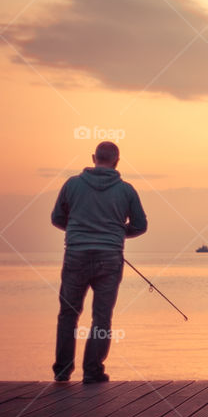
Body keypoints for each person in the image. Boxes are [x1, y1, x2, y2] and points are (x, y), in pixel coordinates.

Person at [51, 141, 147, 383]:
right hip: (109, 258)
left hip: (76, 255)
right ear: (117, 161)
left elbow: (57, 218)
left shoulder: (72, 185)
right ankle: (92, 371)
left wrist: (78, 231)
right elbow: (140, 225)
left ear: (94, 157)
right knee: (101, 317)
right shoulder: (126, 191)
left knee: (68, 314)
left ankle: (63, 371)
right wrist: (115, 233)